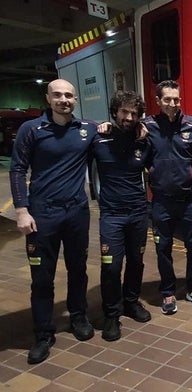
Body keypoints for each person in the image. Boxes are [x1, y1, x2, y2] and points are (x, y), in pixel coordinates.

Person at [10, 79, 96, 364]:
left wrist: (113, 126)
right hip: (42, 214)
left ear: (75, 99)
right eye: (57, 95)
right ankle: (44, 333)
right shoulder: (31, 130)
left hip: (76, 213)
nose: (64, 100)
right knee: (42, 277)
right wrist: (22, 210)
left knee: (78, 268)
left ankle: (79, 316)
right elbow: (18, 169)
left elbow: (115, 136)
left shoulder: (86, 130)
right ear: (48, 98)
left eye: (69, 95)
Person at [91, 91, 152, 341]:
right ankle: (111, 315)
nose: (129, 117)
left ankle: (131, 302)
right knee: (112, 266)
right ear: (114, 112)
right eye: (124, 112)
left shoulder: (143, 140)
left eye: (134, 113)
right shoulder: (98, 139)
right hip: (112, 216)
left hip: (138, 212)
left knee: (136, 262)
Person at [144, 80, 192, 314]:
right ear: (158, 101)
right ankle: (168, 292)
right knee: (163, 248)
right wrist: (106, 128)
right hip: (161, 201)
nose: (173, 104)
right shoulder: (147, 126)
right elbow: (124, 137)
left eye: (176, 99)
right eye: (168, 100)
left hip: (191, 201)